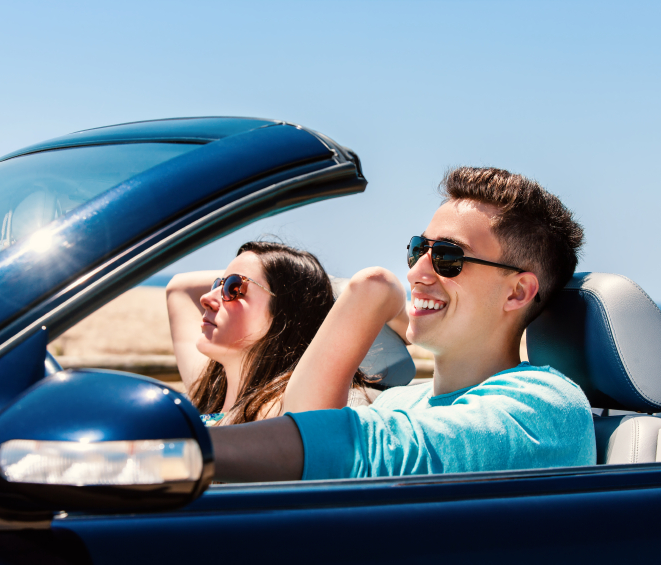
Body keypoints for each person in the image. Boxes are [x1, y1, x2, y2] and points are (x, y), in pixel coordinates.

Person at [208, 167, 597, 481]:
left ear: (517, 293)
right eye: (417, 250)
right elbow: (314, 452)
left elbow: (355, 454)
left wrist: (180, 452)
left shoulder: (546, 404)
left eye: (447, 257)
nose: (416, 273)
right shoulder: (401, 399)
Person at [166, 241, 408, 425]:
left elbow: (376, 284)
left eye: (233, 288)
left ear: (285, 311)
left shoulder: (287, 410)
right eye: (217, 284)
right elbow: (179, 287)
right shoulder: (210, 389)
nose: (207, 299)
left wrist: (310, 284)